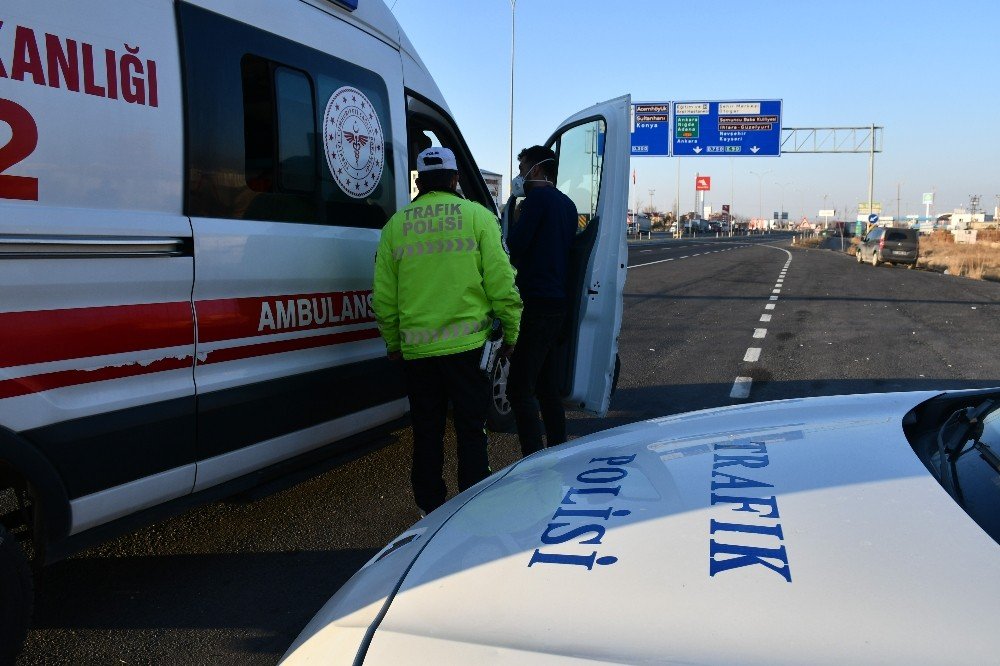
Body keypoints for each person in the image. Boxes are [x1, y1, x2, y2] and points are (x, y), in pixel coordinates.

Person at [372, 147, 522, 515]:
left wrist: (393, 342)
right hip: (470, 350)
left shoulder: (395, 226)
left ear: (419, 182)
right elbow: (503, 284)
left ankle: (429, 509)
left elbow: (384, 298)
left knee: (427, 432)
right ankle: (472, 506)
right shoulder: (479, 218)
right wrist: (512, 334)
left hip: (418, 354)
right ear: (456, 179)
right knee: (472, 429)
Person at [505, 145, 577, 457]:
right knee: (547, 386)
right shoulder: (568, 205)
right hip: (558, 303)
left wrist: (515, 221)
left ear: (536, 170)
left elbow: (516, 247)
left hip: (534, 304)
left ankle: (532, 457)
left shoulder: (535, 201)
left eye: (522, 168)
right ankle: (558, 449)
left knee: (519, 388)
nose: (519, 175)